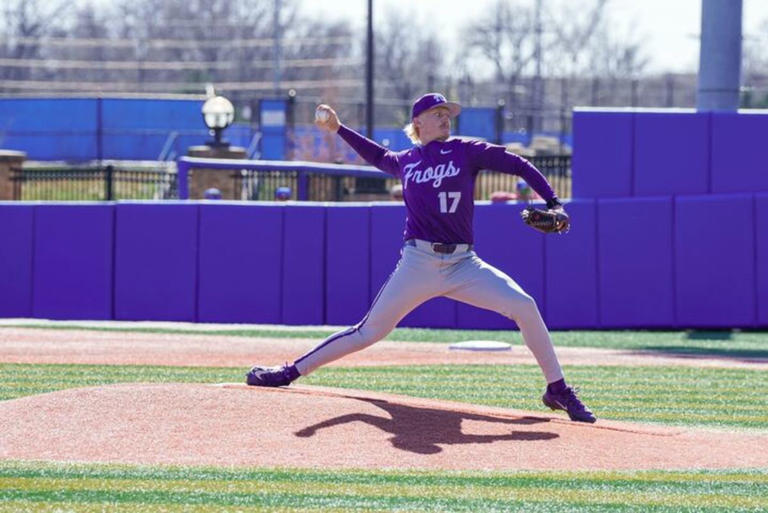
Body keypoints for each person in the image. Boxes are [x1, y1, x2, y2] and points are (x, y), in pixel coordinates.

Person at [246, 92, 595, 423]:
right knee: (367, 332)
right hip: (418, 263)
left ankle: (557, 389)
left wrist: (553, 202)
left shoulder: (465, 151)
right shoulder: (407, 160)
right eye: (438, 114)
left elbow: (518, 164)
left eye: (448, 114)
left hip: (463, 264)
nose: (446, 118)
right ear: (418, 122)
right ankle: (289, 372)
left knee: (524, 306)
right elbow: (377, 156)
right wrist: (338, 129)